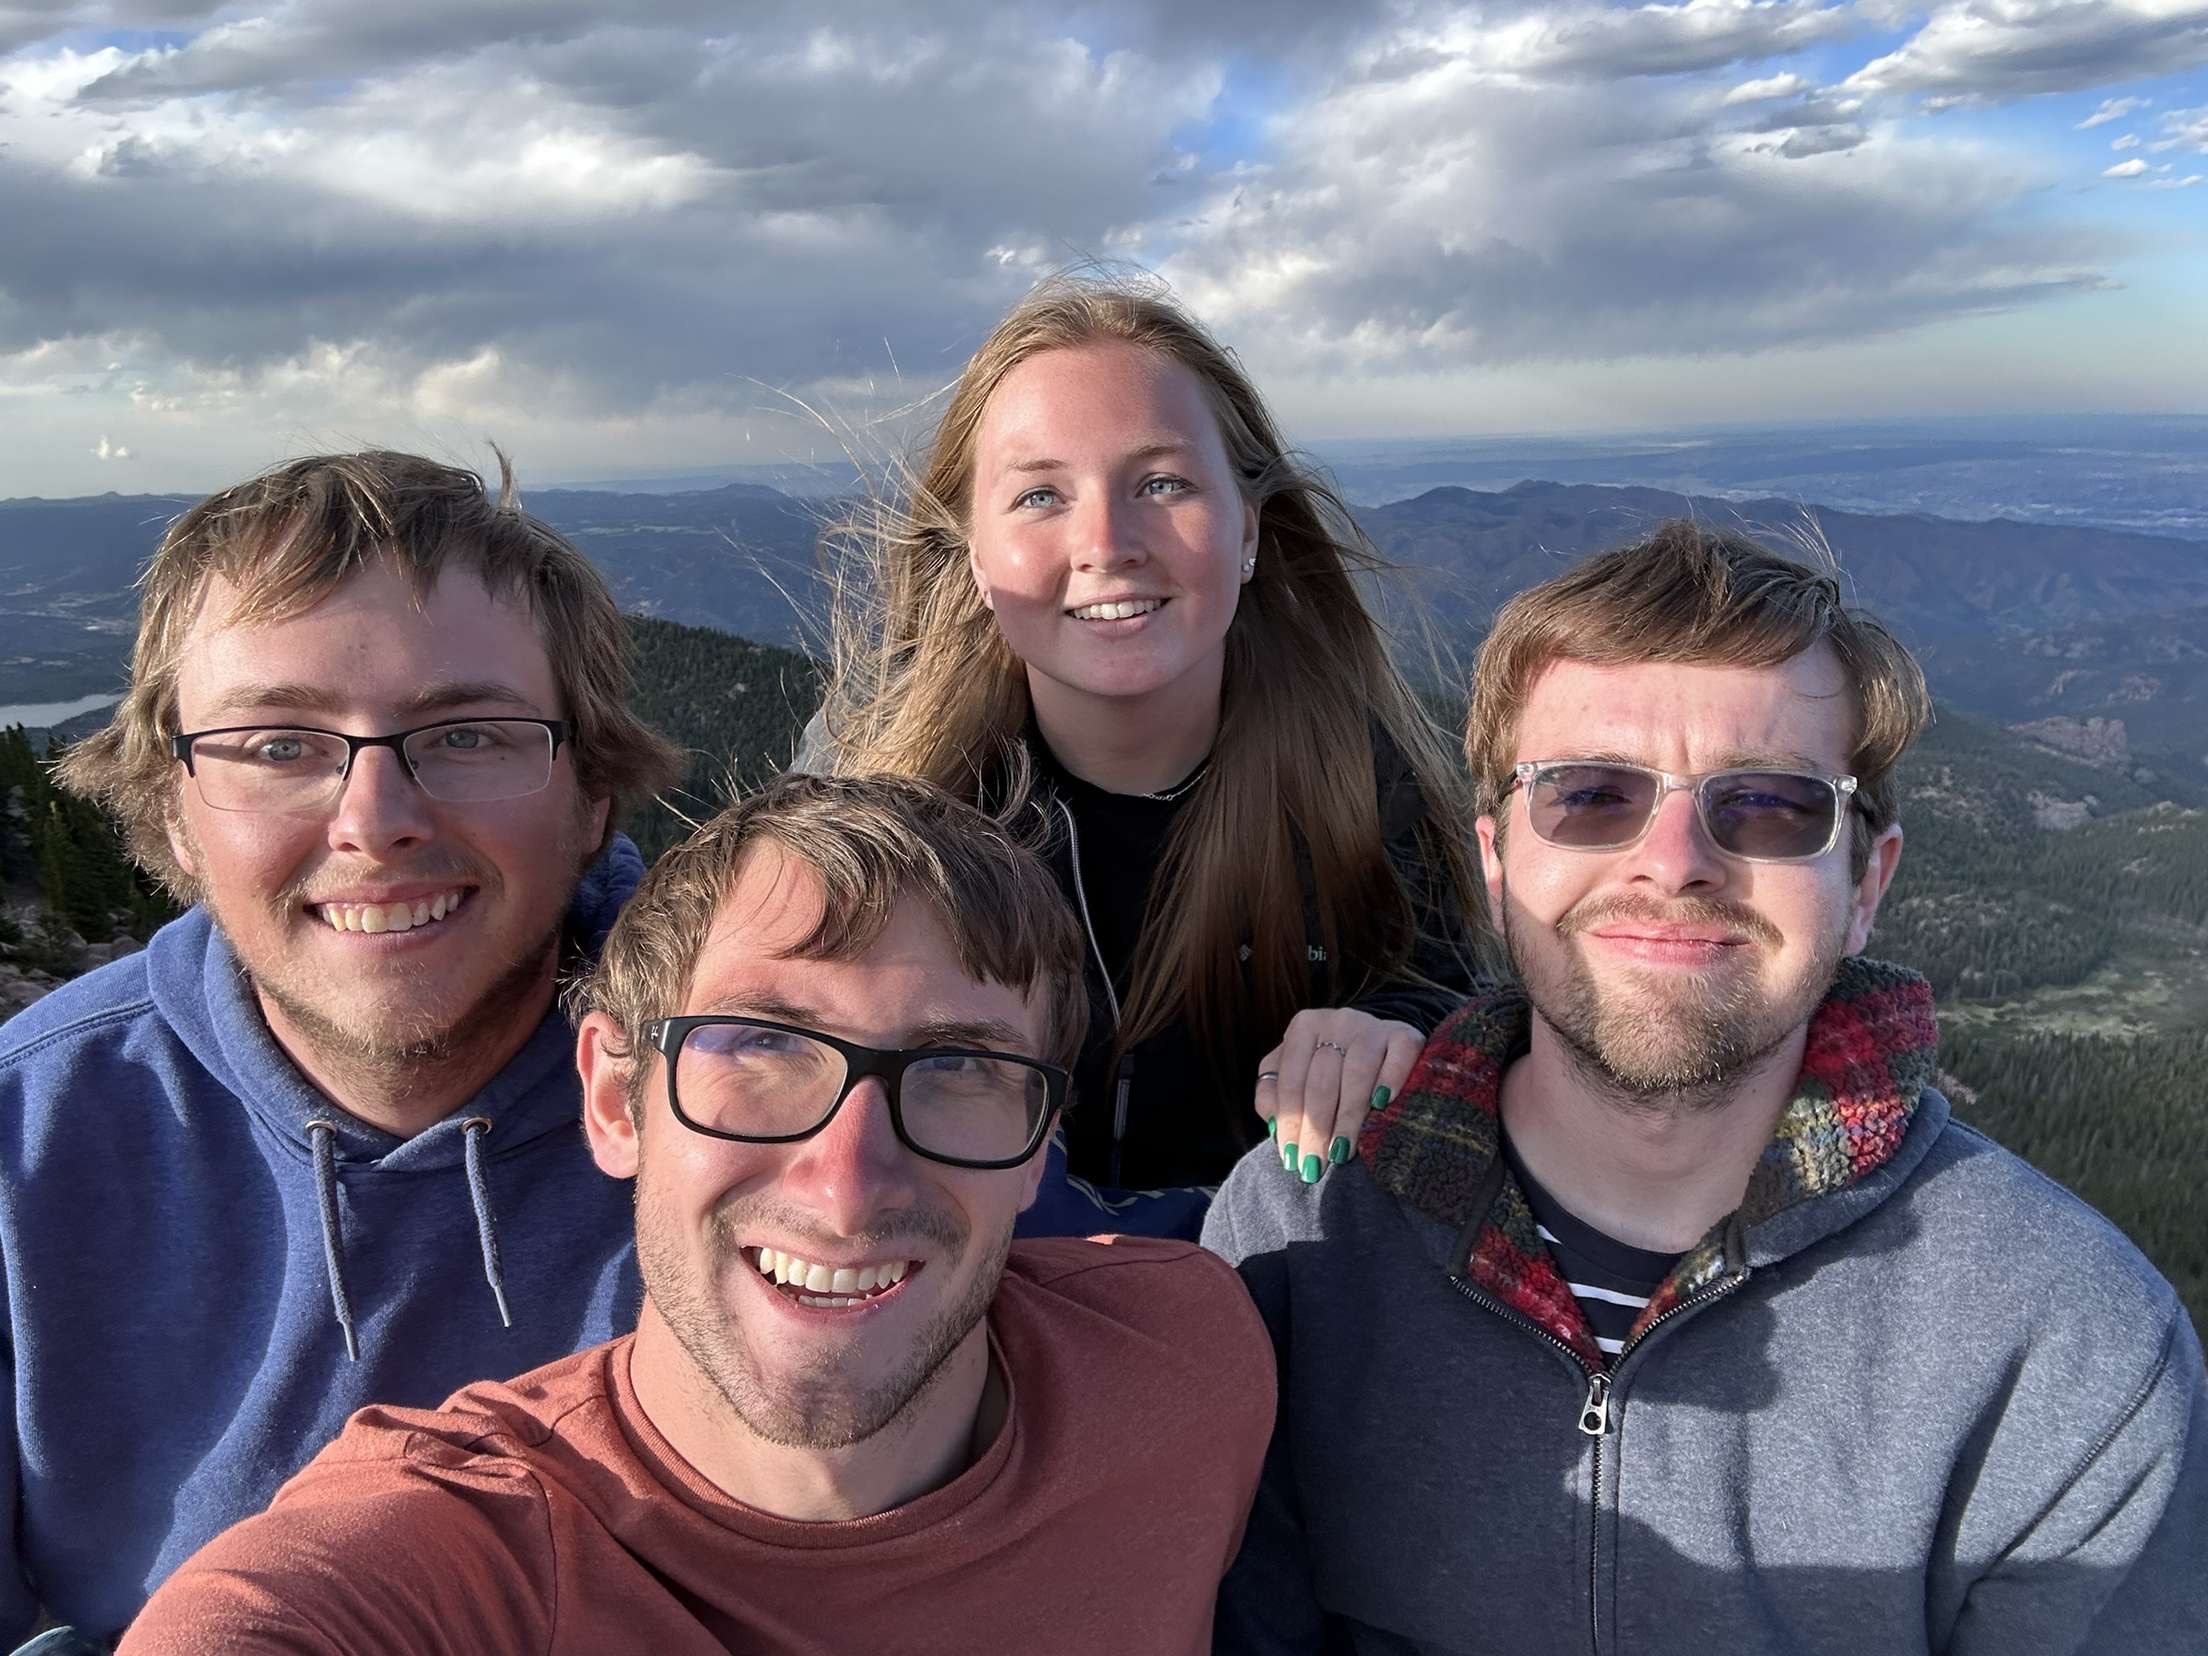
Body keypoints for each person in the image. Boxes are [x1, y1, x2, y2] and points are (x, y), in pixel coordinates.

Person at [1204, 521, 2208, 1653]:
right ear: (1494, 864)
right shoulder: (1294, 1244)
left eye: (1772, 805)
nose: (1674, 860)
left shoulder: (2062, 1341)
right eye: (1590, 795)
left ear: (1866, 883)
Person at [122, 773, 1275, 1655]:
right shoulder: (455, 1562)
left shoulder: (1187, 1355)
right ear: (618, 1100)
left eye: (958, 1068)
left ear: (1040, 1146)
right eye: (761, 1047)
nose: (850, 1182)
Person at [0, 451, 683, 1645]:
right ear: (171, 807)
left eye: (467, 733)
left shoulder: (785, 1098)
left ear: (593, 793)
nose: (375, 822)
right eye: (276, 744)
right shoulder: (29, 1141)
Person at [807, 272, 1482, 1236]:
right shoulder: (877, 795)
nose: (1106, 543)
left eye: (1162, 483)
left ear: (1248, 529)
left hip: (1271, 1314)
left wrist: (1395, 1031)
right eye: (1040, 495)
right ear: (972, 558)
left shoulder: (1357, 786)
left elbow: (1453, 990)